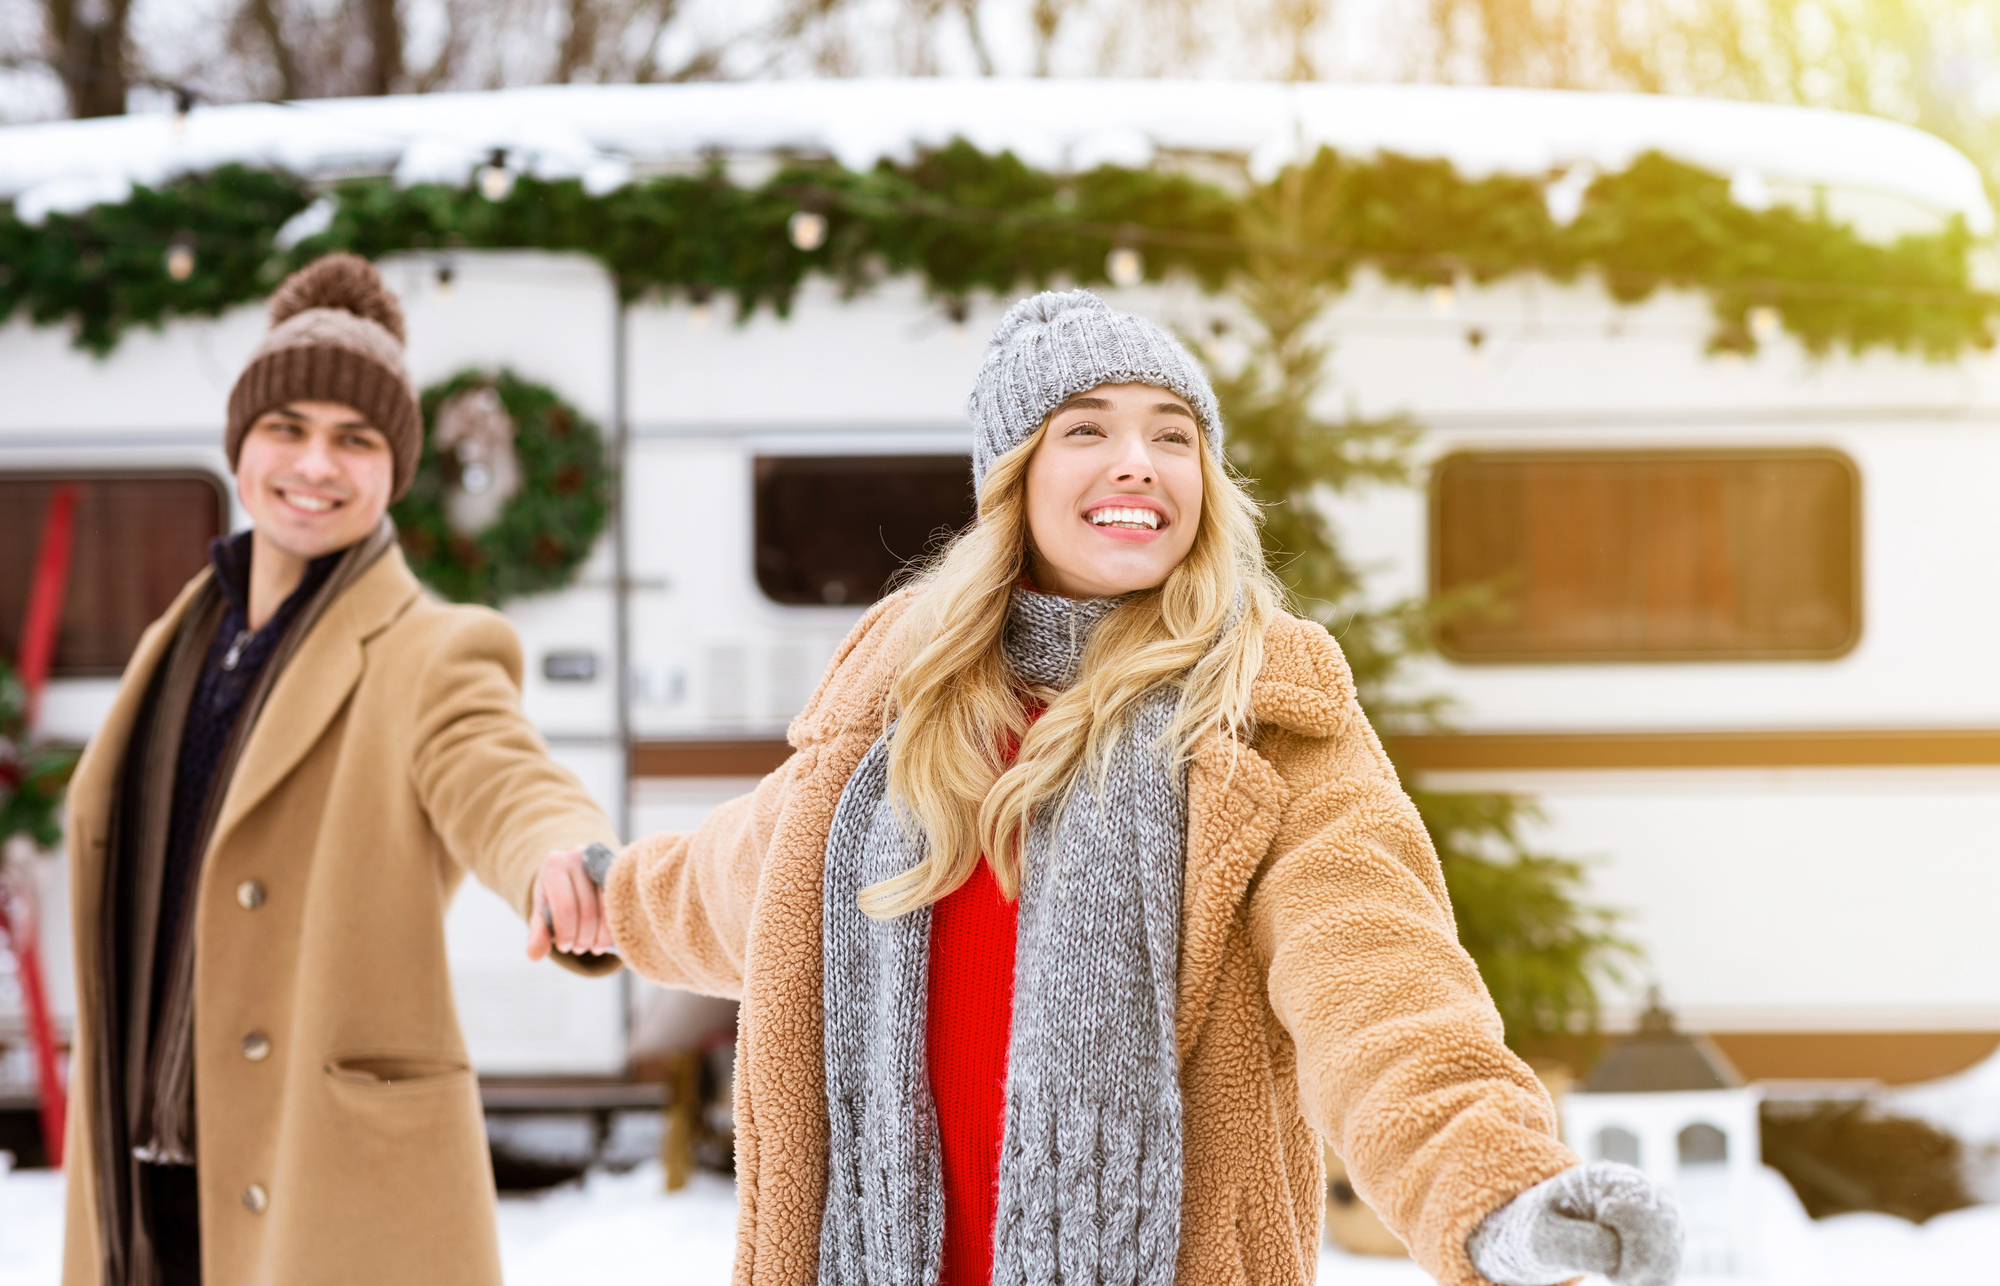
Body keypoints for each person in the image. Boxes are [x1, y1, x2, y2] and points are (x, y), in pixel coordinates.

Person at [572, 290, 1683, 1286]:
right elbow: (728, 881)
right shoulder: (892, 724)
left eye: (1171, 435)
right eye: (1086, 430)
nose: (1137, 463)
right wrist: (604, 893)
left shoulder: (1256, 720)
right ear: (1012, 476)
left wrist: (1490, 1182)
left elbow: (1379, 974)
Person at [59, 254, 621, 1286]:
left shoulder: (431, 647)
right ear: (242, 446)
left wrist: (563, 853)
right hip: (139, 1185)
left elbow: (498, 769)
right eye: (288, 428)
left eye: (354, 439)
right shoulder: (183, 637)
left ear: (392, 471)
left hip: (315, 1184)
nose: (315, 463)